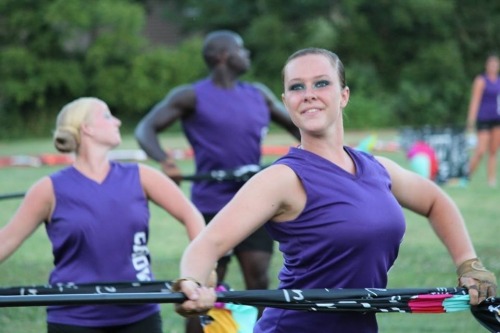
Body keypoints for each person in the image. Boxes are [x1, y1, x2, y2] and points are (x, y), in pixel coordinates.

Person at [171, 48, 497, 333]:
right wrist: (192, 283)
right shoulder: (283, 178)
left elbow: (436, 201)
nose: (309, 93)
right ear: (287, 103)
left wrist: (468, 263)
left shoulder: (378, 169)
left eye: (321, 83)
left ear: (343, 95)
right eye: (297, 87)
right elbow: (208, 244)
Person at [135, 29, 300, 332]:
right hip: (212, 206)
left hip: (257, 203)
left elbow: (299, 128)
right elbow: (146, 128)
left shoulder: (258, 94)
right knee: (203, 289)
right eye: (241, 49)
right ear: (222, 56)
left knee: (259, 281)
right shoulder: (191, 96)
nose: (247, 54)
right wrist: (165, 160)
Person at [0, 97, 205, 333]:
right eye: (107, 115)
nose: (117, 121)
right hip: (73, 317)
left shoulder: (141, 176)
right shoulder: (48, 189)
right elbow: (6, 239)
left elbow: (192, 216)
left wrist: (198, 274)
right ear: (86, 128)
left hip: (138, 313)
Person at [466, 53, 500, 187]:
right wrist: (471, 120)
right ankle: (466, 176)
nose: (493, 66)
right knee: (480, 150)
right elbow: (475, 100)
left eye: (495, 64)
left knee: (493, 151)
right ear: (487, 65)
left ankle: (491, 180)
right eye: (491, 64)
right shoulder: (481, 80)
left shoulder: (498, 81)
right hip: (484, 119)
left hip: (497, 119)